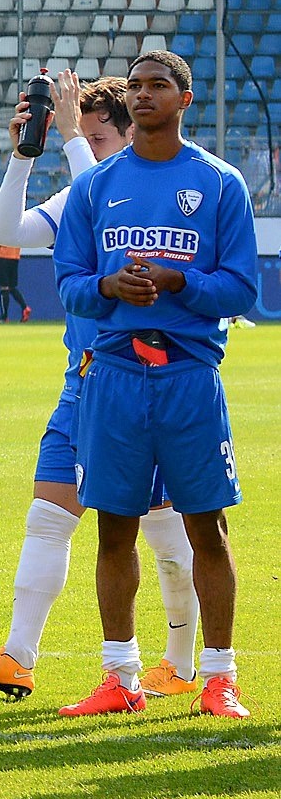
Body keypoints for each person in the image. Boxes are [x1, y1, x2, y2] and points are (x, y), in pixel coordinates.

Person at [0, 73, 202, 702]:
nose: (81, 143)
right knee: (48, 515)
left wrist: (66, 136)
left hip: (151, 382)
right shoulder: (80, 194)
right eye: (79, 133)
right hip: (84, 384)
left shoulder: (158, 197)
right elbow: (2, 231)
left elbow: (99, 202)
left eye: (95, 135)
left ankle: (181, 662)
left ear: (129, 136)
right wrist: (20, 156)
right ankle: (18, 656)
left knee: (166, 532)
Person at [50, 50, 254, 722]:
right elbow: (69, 285)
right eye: (134, 85)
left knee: (207, 526)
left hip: (190, 376)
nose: (142, 95)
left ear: (184, 99)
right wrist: (109, 284)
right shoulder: (94, 187)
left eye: (157, 85)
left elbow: (242, 287)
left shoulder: (220, 183)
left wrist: (178, 282)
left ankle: (220, 677)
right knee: (114, 529)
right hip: (113, 375)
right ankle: (120, 674)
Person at [0, 238, 29, 321]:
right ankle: (25, 307)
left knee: (4, 287)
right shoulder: (17, 225)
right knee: (11, 287)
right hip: (15, 256)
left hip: (3, 255)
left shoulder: (2, 225)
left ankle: (4, 316)